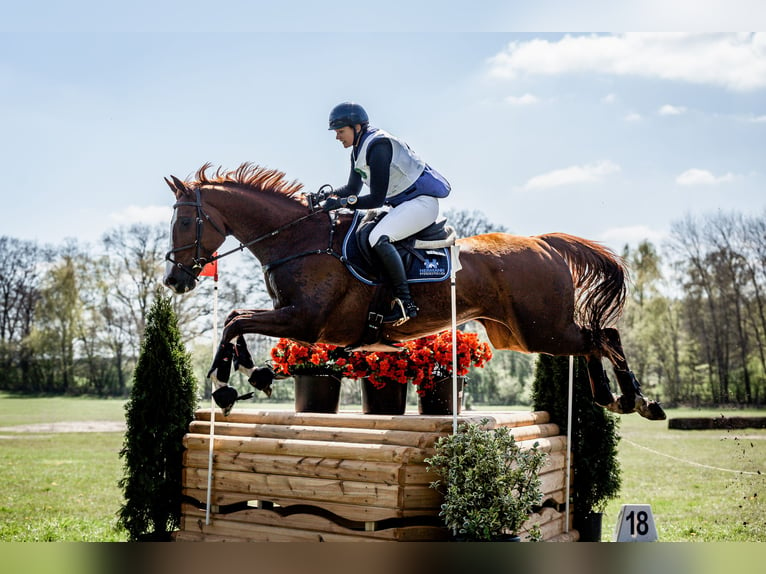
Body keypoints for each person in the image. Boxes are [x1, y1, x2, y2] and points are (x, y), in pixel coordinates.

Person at [322, 102, 451, 326]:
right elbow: (352, 190)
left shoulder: (378, 145)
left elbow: (376, 199)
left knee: (377, 237)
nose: (337, 137)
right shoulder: (358, 150)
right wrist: (323, 198)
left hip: (422, 203)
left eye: (340, 132)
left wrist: (341, 203)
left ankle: (405, 302)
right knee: (364, 232)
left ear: (357, 127)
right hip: (403, 205)